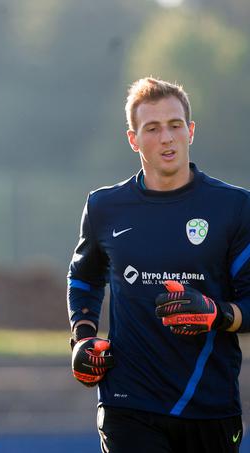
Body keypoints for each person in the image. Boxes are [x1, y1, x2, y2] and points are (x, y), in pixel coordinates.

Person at [67, 77, 249, 453]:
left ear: (191, 131)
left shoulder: (235, 208)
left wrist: (217, 314)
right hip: (128, 402)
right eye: (152, 128)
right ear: (133, 139)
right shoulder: (104, 206)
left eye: (175, 125)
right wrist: (83, 337)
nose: (166, 138)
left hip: (209, 405)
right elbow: (84, 278)